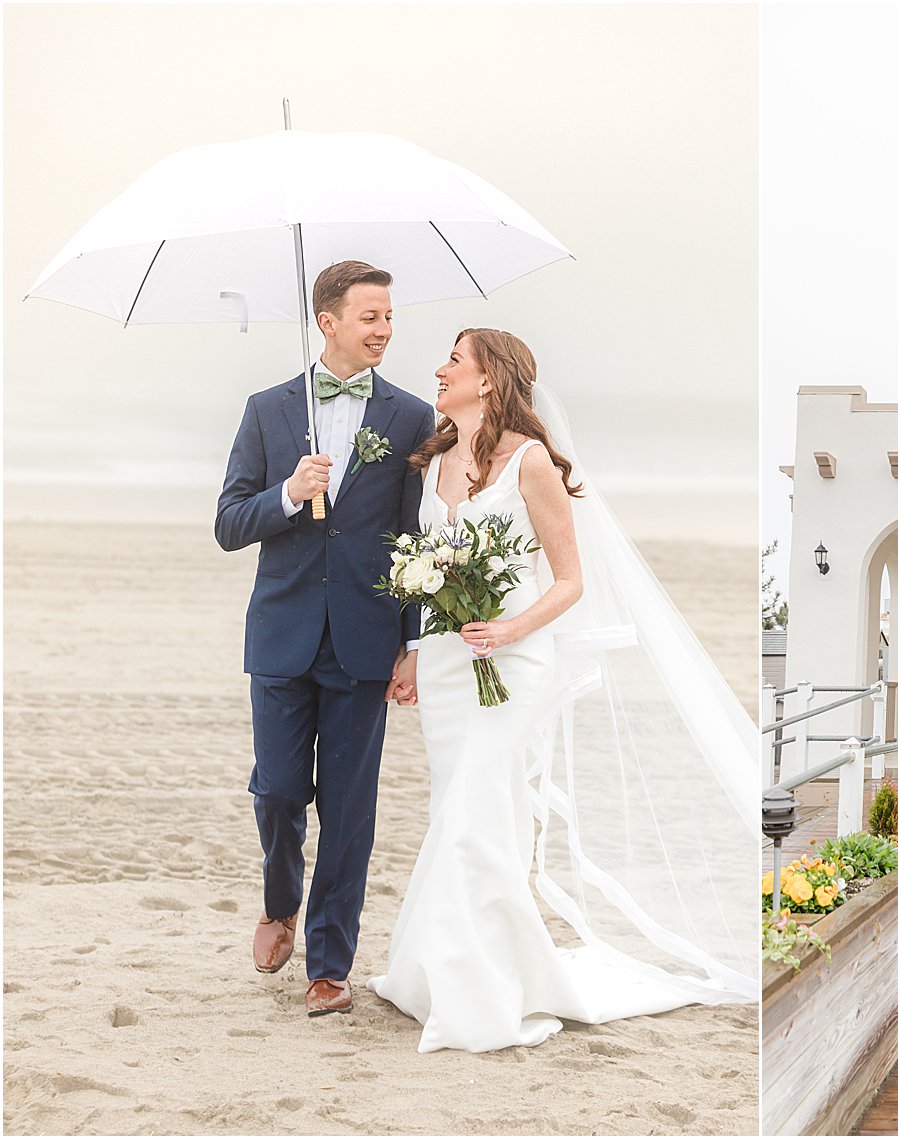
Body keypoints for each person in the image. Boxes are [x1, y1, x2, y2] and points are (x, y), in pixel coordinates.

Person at [367, 328, 755, 1053]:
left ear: (487, 380)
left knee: (475, 814)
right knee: (467, 808)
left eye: (454, 359)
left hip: (514, 666)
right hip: (452, 667)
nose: (440, 369)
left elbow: (570, 580)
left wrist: (512, 629)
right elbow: (427, 571)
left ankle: (477, 992)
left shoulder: (532, 461)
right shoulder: (433, 462)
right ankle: (447, 974)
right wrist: (418, 648)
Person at [214, 260, 435, 1017]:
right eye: (370, 316)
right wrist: (288, 494)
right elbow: (228, 523)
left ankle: (330, 962)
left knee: (349, 806)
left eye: (389, 317)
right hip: (280, 634)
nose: (384, 329)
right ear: (328, 321)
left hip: (366, 640)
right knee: (277, 790)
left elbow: (413, 539)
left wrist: (412, 643)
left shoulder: (410, 417)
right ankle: (280, 900)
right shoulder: (268, 411)